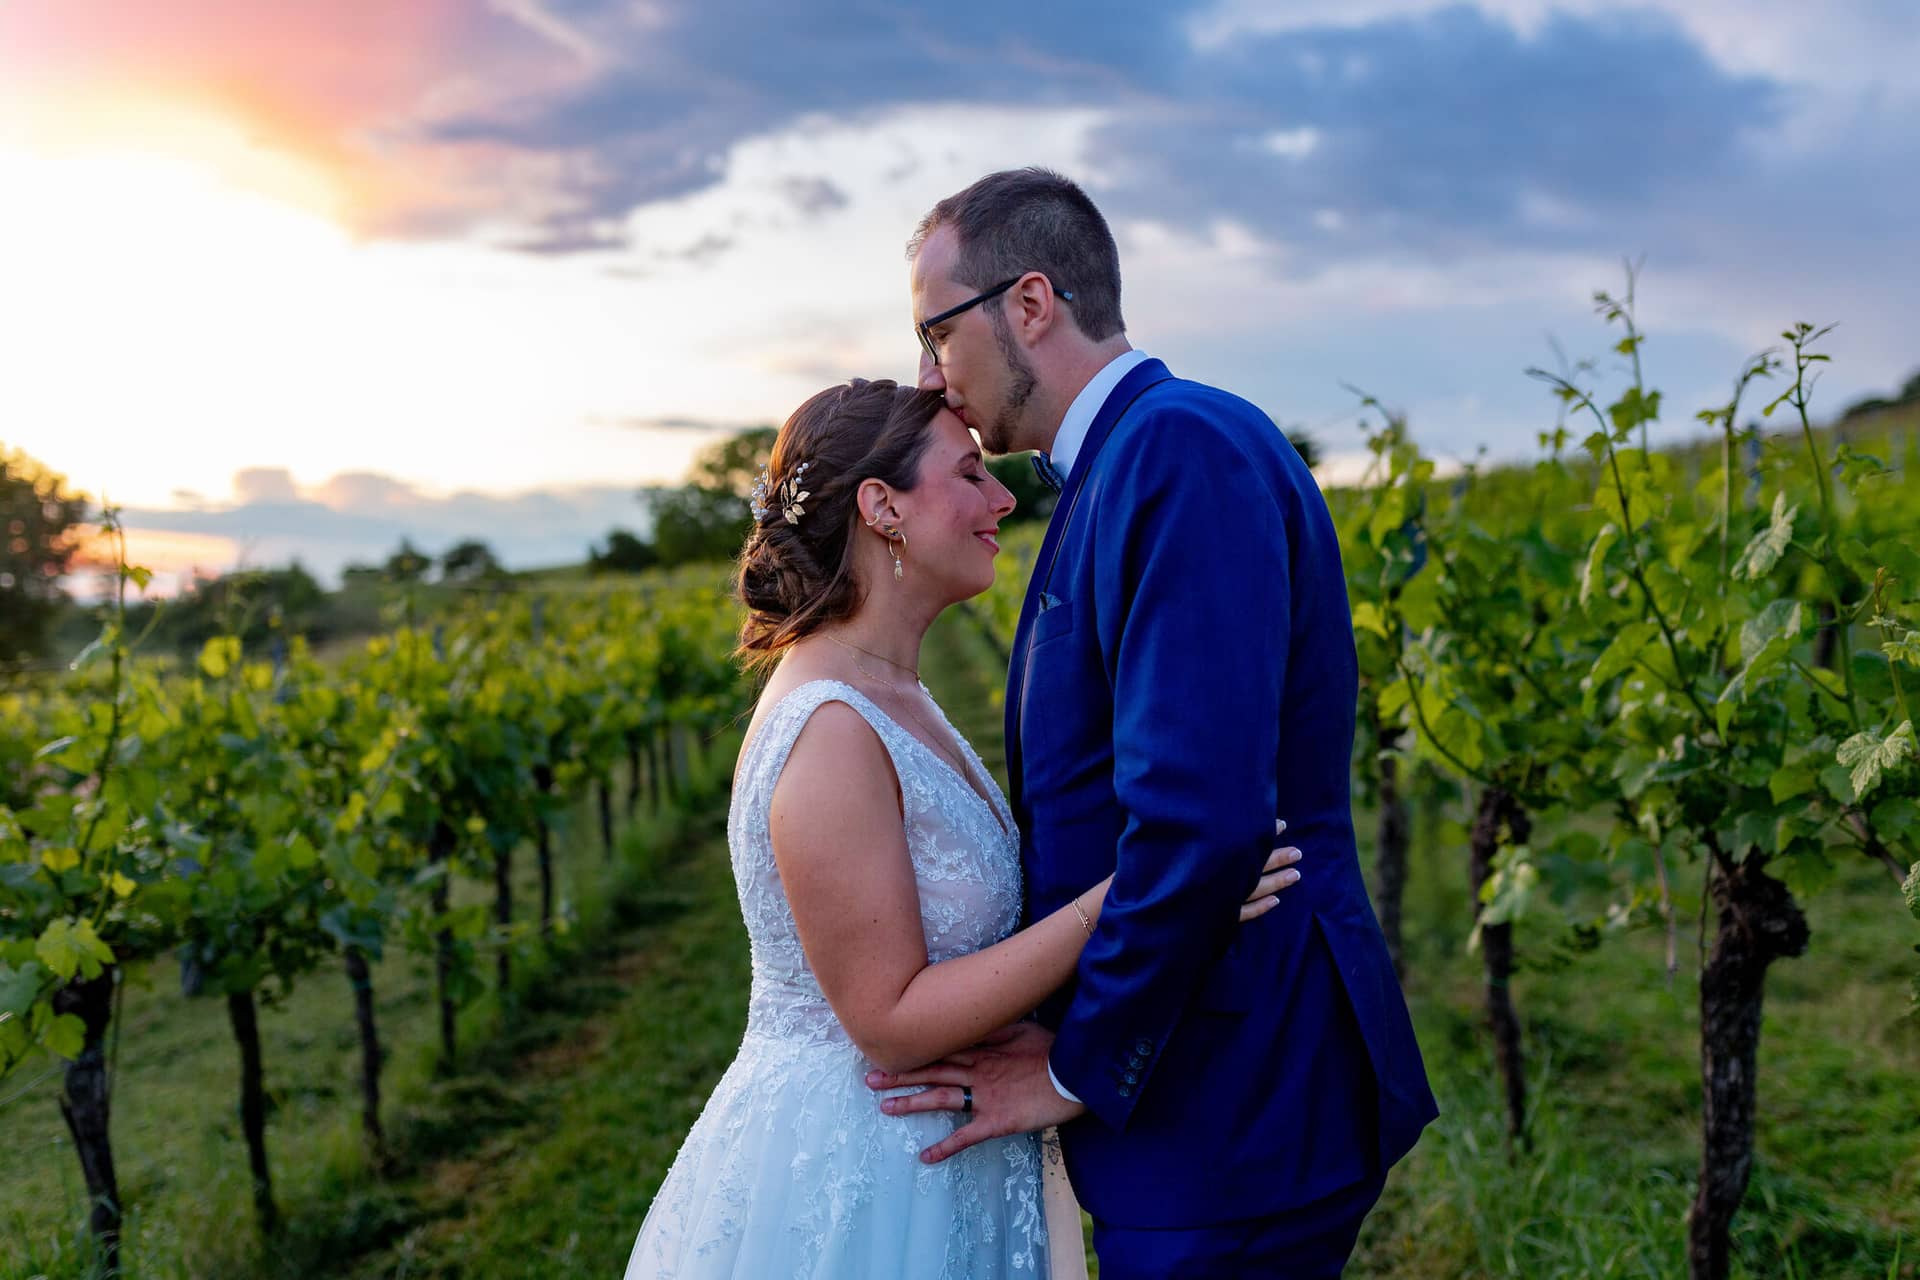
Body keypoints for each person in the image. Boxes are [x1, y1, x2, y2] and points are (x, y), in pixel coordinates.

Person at [865, 168, 1438, 1278]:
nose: (932, 373)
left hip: (1231, 1100)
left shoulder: (1177, 448)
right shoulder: (1112, 469)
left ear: (1029, 304)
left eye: (936, 332)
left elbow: (1203, 819)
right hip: (1201, 1097)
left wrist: (1080, 1064)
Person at [623, 378, 1304, 1278]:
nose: (1004, 499)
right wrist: (1148, 893)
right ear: (883, 508)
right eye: (971, 471)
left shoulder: (894, 692)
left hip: (945, 1147)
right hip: (871, 1171)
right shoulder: (830, 727)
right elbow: (891, 1023)